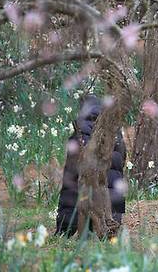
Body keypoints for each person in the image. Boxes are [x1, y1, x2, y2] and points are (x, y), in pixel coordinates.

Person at [55, 95, 126, 236]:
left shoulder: (80, 133)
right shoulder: (115, 132)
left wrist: (64, 229)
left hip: (86, 210)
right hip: (111, 210)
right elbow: (121, 163)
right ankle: (110, 228)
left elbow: (70, 187)